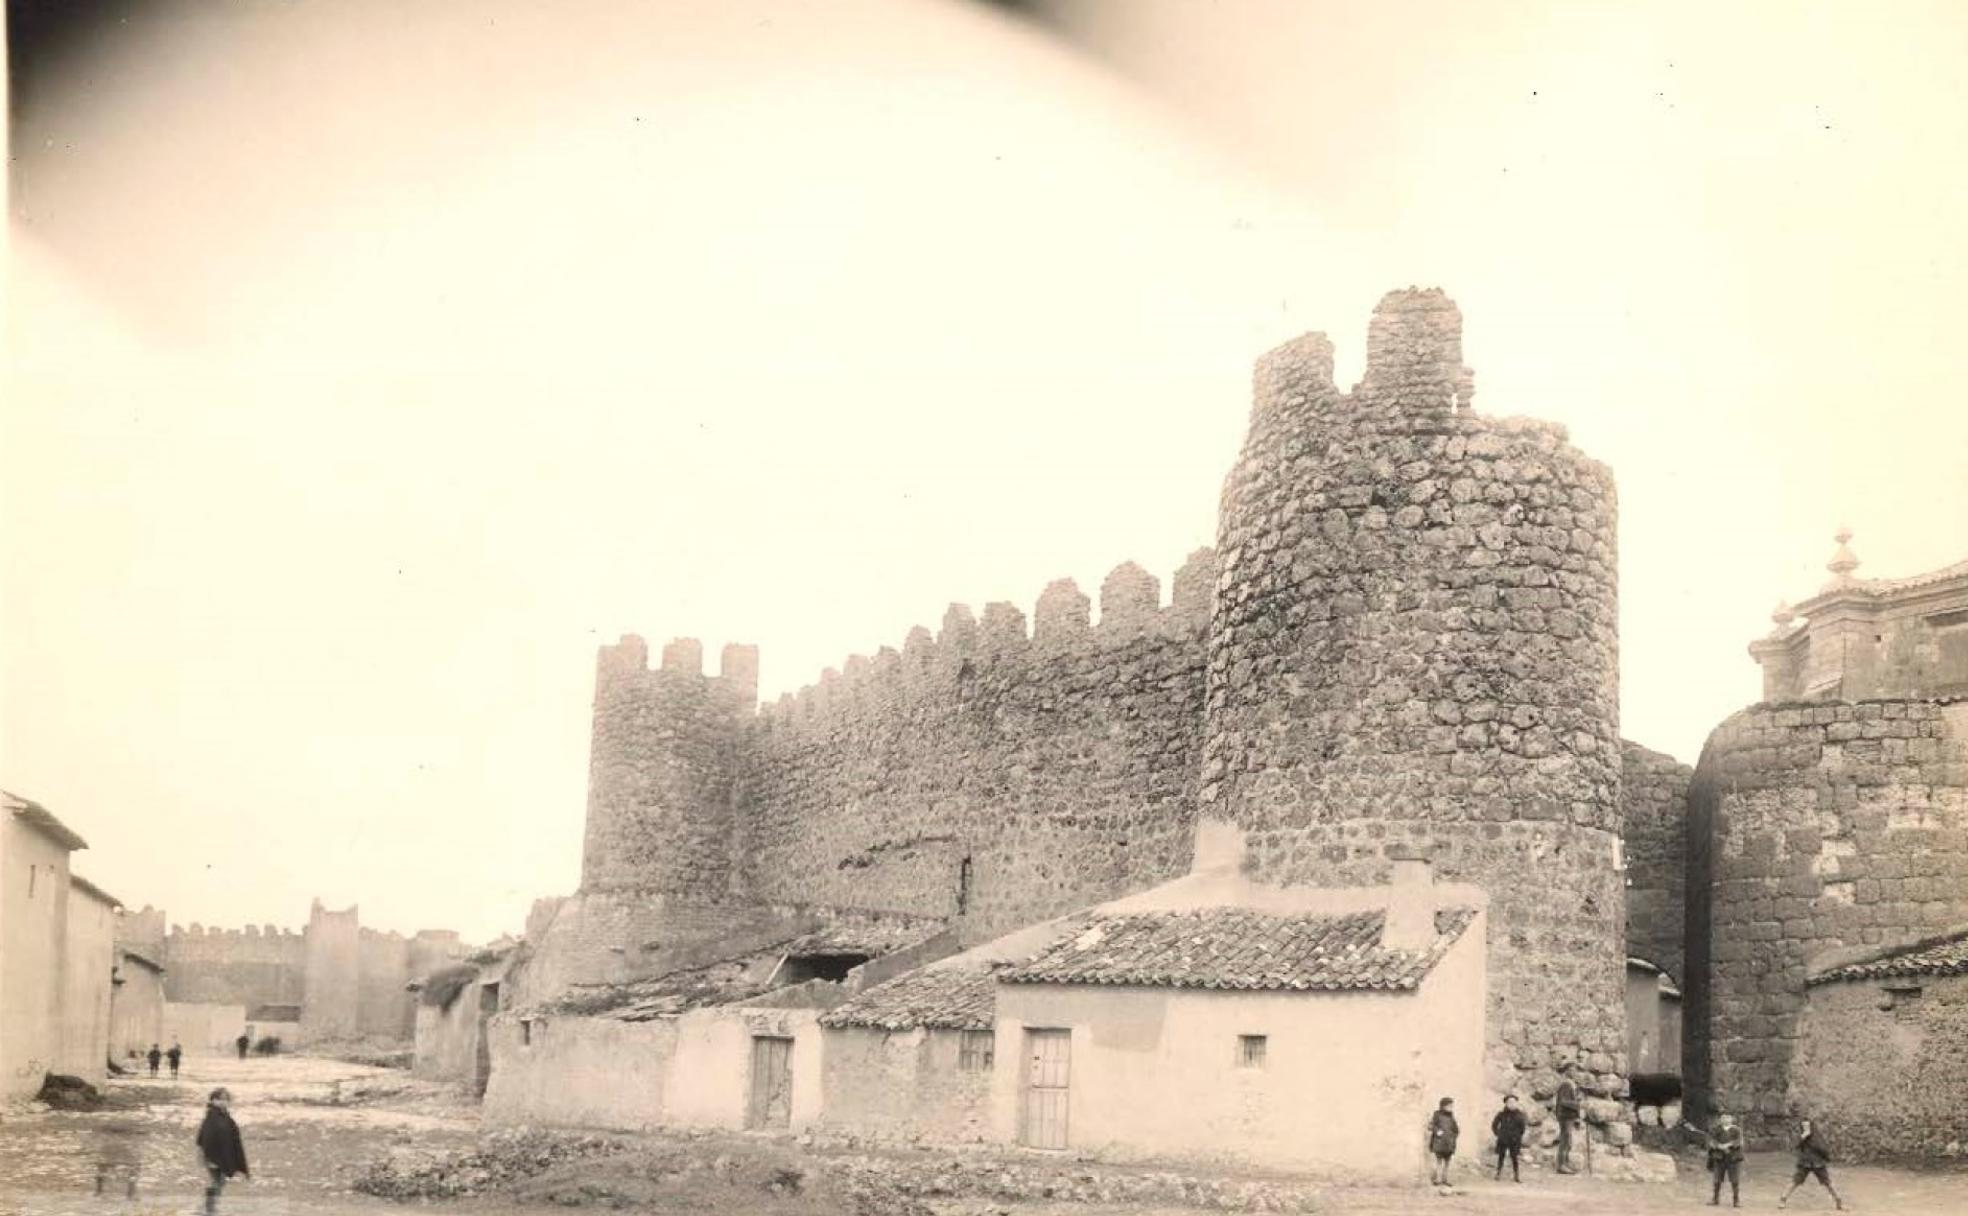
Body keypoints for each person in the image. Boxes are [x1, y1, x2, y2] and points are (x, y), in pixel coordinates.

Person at [195, 1087, 249, 1215]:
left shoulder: (225, 1116)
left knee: (221, 1181)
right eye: (219, 1099)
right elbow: (204, 1137)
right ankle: (209, 1207)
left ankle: (209, 1206)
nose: (222, 1102)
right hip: (211, 1156)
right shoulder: (211, 1116)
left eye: (225, 1099)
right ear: (213, 1100)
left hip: (222, 1156)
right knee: (217, 1181)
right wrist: (206, 1155)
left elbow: (231, 1136)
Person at [1778, 1118, 1844, 1210]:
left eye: (1807, 1126)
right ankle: (1783, 1199)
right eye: (1804, 1126)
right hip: (1805, 1163)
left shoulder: (1817, 1136)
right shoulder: (1800, 1137)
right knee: (1795, 1181)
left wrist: (1825, 1158)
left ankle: (1838, 1200)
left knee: (1827, 1183)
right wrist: (1803, 1137)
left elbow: (1823, 1148)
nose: (1806, 1128)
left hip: (1818, 1163)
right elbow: (1794, 1145)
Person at [1706, 1112, 1745, 1208]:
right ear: (1720, 1119)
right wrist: (1718, 1146)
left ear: (1732, 1119)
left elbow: (1739, 1141)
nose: (1725, 1119)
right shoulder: (1716, 1130)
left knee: (1735, 1180)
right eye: (1723, 1117)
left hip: (1733, 1158)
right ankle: (1715, 1198)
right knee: (1717, 1179)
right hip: (1719, 1158)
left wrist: (1728, 1145)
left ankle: (1736, 1200)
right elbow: (1711, 1141)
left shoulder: (1737, 1130)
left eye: (1728, 1117)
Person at [1553, 1061, 1582, 1174]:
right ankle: (1561, 1165)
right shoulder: (1566, 1084)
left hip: (1569, 1116)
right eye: (1571, 1070)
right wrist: (1577, 1104)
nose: (1574, 1072)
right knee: (1565, 1140)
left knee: (1567, 1141)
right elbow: (1563, 1101)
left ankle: (1565, 1163)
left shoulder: (1571, 1084)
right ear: (1566, 1072)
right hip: (1565, 1117)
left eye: (1575, 1070)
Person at [1491, 1094, 1527, 1182]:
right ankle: (1498, 1173)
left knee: (1514, 1157)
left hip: (1515, 1140)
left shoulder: (1520, 1115)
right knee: (1501, 1156)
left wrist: (1518, 1136)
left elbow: (1522, 1128)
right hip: (1503, 1139)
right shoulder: (1501, 1114)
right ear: (1506, 1104)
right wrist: (1498, 1134)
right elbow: (1494, 1125)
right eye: (1509, 1102)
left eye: (1514, 1102)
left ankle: (1516, 1175)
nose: (1512, 1104)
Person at [1427, 1096, 1460, 1186]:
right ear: (1443, 1106)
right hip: (1439, 1143)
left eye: (1452, 1106)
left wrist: (1453, 1137)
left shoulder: (1451, 1117)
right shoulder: (1437, 1115)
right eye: (1449, 1106)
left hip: (1449, 1144)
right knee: (1438, 1161)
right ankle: (1437, 1179)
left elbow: (1456, 1129)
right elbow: (1430, 1126)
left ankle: (1445, 1179)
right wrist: (1437, 1131)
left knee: (1447, 1163)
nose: (1451, 1108)